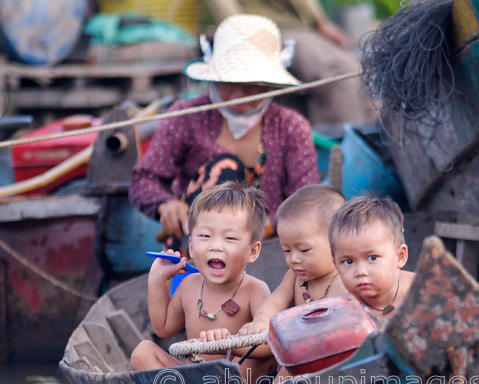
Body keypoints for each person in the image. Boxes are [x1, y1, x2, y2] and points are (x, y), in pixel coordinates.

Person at [129, 14, 321, 249]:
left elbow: (306, 202)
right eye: (229, 80)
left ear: (270, 83)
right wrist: (165, 206)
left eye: (252, 83)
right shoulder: (186, 116)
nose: (239, 94)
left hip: (268, 254)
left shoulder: (291, 127)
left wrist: (262, 230)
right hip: (194, 254)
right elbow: (144, 179)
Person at [130, 182, 276, 384]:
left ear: (252, 251)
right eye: (205, 236)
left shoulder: (254, 290)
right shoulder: (189, 285)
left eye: (230, 238)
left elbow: (271, 345)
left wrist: (229, 345)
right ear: (191, 246)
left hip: (235, 380)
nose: (215, 246)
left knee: (265, 356)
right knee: (142, 352)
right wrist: (157, 279)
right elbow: (162, 328)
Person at [204, 0, 378, 125]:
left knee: (357, 69)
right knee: (335, 74)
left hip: (302, 29)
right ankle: (341, 148)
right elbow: (225, 9)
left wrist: (320, 22)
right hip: (263, 32)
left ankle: (372, 141)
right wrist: (247, 38)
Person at [238, 184, 348, 337]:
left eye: (304, 250)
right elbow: (275, 302)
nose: (294, 259)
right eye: (287, 250)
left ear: (337, 241)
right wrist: (261, 322)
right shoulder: (294, 277)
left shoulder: (346, 280)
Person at [328, 194, 415, 323]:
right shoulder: (342, 309)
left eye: (372, 258)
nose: (360, 272)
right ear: (336, 265)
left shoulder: (423, 292)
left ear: (400, 256)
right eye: (348, 261)